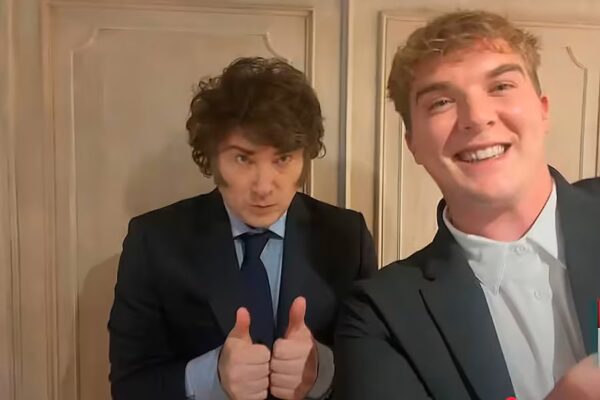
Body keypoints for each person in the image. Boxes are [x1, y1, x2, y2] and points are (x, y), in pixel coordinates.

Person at [335, 10, 600, 400]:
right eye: (442, 102)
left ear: (543, 110)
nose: (476, 118)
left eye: (501, 86)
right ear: (413, 144)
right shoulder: (379, 316)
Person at [108, 57, 377, 400]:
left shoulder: (347, 237)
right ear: (212, 158)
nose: (263, 187)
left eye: (283, 159)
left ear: (305, 157)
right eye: (243, 159)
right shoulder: (154, 241)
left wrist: (323, 372)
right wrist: (212, 376)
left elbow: (376, 372)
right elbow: (129, 386)